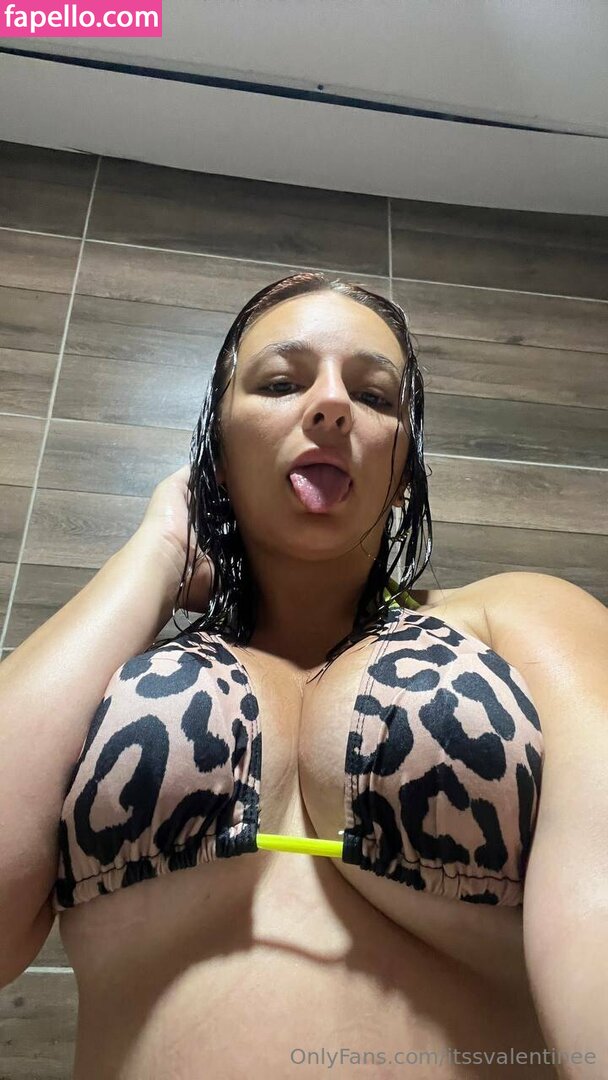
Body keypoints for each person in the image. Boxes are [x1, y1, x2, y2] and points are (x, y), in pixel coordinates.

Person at [1, 271, 605, 1078]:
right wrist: (155, 552)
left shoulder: (517, 617)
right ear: (217, 450)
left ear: (403, 474)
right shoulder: (115, 672)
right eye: (282, 383)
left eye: (376, 396)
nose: (331, 406)